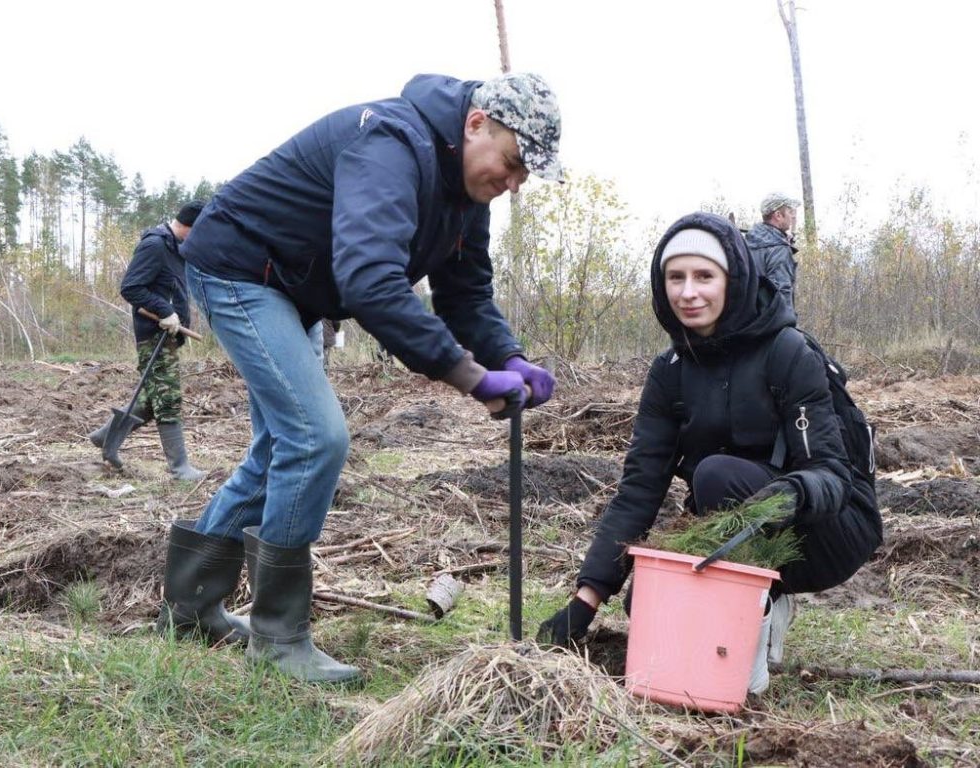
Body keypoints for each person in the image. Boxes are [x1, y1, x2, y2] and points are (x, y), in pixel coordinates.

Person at [157, 72, 561, 684]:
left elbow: (467, 291)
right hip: (241, 270)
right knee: (316, 438)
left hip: (292, 287)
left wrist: (507, 356)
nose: (508, 185)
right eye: (508, 165)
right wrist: (469, 376)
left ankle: (188, 608)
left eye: (519, 179)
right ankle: (279, 638)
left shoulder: (464, 194)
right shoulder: (392, 145)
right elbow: (370, 279)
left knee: (281, 447)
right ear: (476, 123)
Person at [538, 212, 882, 695]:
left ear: (733, 280)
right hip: (733, 522)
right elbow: (639, 490)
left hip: (831, 526)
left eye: (704, 276)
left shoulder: (788, 353)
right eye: (675, 277)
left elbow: (832, 473)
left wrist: (792, 492)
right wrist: (586, 599)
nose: (688, 292)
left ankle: (756, 619)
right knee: (648, 604)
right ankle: (761, 591)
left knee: (717, 476)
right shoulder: (670, 372)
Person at [88, 201, 207, 481]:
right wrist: (165, 311)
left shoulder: (176, 249)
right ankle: (180, 468)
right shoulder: (155, 245)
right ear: (191, 226)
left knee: (152, 400)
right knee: (167, 398)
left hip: (168, 336)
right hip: (154, 334)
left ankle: (105, 437)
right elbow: (130, 287)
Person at [746, 192, 800, 315]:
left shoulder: (748, 242)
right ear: (778, 215)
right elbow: (781, 296)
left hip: (747, 325)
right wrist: (789, 327)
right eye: (790, 212)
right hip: (771, 327)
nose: (792, 217)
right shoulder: (779, 249)